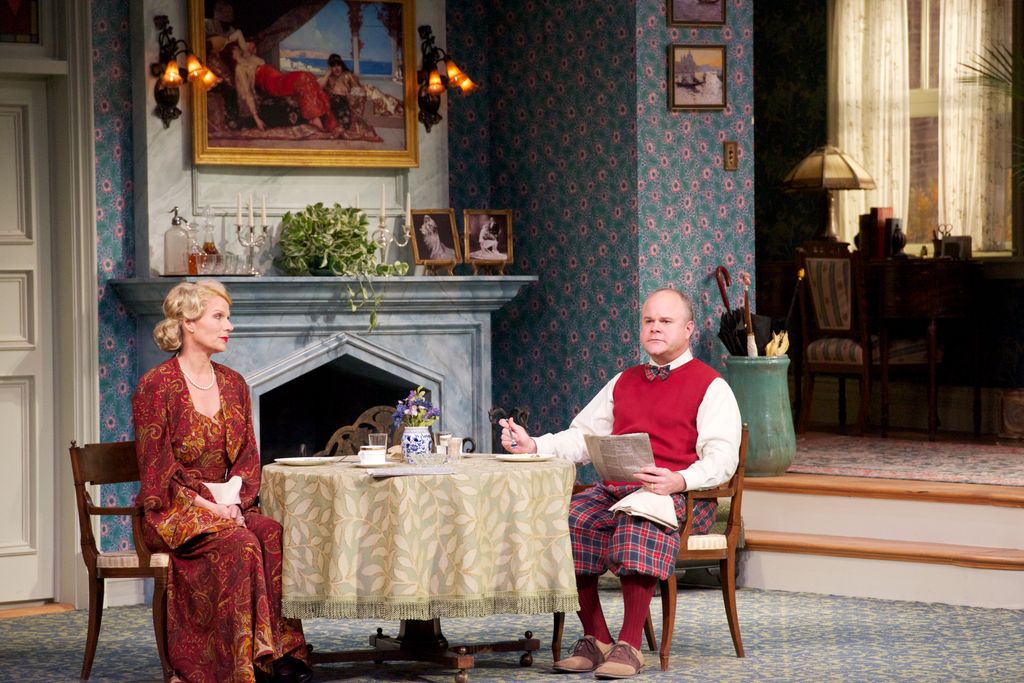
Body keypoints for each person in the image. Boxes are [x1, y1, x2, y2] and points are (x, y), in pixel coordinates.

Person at [500, 288, 741, 679]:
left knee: (638, 517)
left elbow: (722, 459)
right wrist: (534, 445)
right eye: (649, 321)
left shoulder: (712, 386)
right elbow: (582, 438)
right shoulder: (623, 381)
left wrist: (678, 479)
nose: (655, 328)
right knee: (565, 520)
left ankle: (629, 646)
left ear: (688, 330)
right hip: (616, 491)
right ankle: (597, 637)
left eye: (665, 321)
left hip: (682, 498)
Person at [132, 280, 312, 683]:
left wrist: (236, 504)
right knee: (242, 543)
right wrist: (212, 508)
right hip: (174, 510)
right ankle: (236, 664)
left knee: (270, 532)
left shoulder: (234, 384)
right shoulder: (156, 386)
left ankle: (277, 652)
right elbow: (157, 471)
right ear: (188, 322)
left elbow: (248, 456)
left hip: (230, 506)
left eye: (228, 317)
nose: (229, 325)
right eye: (219, 316)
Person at [223, 39, 336, 133]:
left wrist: (231, 41)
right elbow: (247, 94)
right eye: (234, 49)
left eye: (237, 47)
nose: (238, 48)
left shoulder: (249, 58)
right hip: (273, 84)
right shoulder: (239, 69)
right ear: (231, 55)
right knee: (303, 77)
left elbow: (238, 34)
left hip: (279, 78)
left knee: (308, 76)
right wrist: (256, 118)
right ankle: (314, 118)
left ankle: (314, 119)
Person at [318, 53, 382, 142]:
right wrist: (327, 74)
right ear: (330, 68)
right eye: (333, 66)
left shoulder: (347, 75)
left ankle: (341, 127)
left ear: (341, 65)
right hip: (333, 106)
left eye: (338, 65)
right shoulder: (329, 78)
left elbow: (358, 90)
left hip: (345, 104)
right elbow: (319, 87)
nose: (336, 68)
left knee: (339, 103)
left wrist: (348, 95)